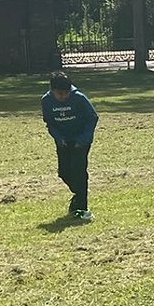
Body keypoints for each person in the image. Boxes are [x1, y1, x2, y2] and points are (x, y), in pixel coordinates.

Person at [41, 71, 99, 221]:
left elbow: (93, 117)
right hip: (63, 141)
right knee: (64, 172)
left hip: (81, 141)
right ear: (52, 90)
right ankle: (79, 195)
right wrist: (59, 138)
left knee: (79, 171)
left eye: (66, 93)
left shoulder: (79, 98)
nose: (63, 97)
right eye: (60, 94)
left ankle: (82, 207)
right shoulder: (46, 101)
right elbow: (49, 123)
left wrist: (85, 138)